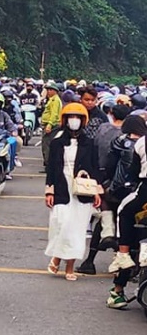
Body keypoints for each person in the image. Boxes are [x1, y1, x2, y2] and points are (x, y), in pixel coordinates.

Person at [44, 101, 101, 279]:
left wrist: (97, 191)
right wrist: (49, 190)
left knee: (76, 229)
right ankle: (57, 256)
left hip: (82, 190)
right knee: (60, 224)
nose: (74, 120)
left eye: (78, 117)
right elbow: (51, 168)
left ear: (83, 121)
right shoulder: (56, 143)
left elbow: (95, 168)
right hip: (61, 187)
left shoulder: (90, 143)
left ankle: (68, 266)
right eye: (71, 117)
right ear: (65, 119)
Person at [78, 97, 131, 274]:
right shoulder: (128, 137)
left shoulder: (102, 129)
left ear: (110, 114)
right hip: (122, 182)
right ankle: (124, 263)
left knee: (104, 217)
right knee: (123, 220)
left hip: (101, 178)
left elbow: (93, 148)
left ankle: (90, 261)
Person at [105, 113, 147, 309]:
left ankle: (118, 288)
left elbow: (133, 173)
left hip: (142, 194)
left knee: (125, 215)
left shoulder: (139, 144)